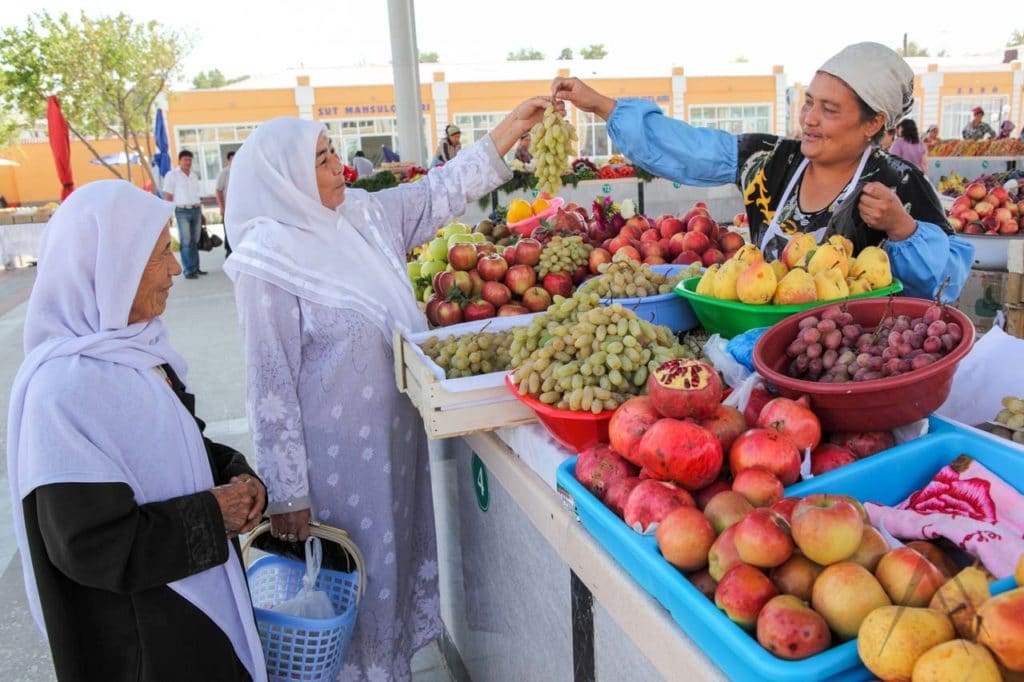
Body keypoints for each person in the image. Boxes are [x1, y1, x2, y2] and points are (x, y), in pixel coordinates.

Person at [223, 99, 552, 680]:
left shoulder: (360, 217)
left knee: (390, 573)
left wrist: (506, 132)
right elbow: (268, 383)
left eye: (333, 156)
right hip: (333, 469)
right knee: (350, 588)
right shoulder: (266, 262)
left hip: (396, 450)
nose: (337, 172)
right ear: (286, 180)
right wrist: (288, 491)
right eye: (322, 162)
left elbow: (438, 193)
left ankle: (390, 669)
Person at [7, 180, 268, 681]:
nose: (175, 269)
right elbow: (90, 544)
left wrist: (238, 476)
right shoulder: (62, 391)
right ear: (108, 268)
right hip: (145, 639)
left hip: (195, 612)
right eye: (161, 254)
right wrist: (213, 515)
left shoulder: (137, 353)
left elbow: (181, 443)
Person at [553, 42, 972, 302]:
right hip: (761, 346)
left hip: (845, 364)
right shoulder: (769, 161)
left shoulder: (898, 182)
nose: (809, 118)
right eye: (809, 102)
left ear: (873, 123)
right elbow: (690, 147)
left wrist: (903, 229)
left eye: (829, 110)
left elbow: (944, 287)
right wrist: (603, 106)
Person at [163, 149, 206, 278]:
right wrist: (168, 214)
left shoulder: (194, 175)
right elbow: (169, 195)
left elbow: (197, 195)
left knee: (195, 240)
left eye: (190, 160)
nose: (188, 162)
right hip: (182, 211)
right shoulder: (172, 175)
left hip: (196, 209)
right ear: (180, 161)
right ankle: (188, 270)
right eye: (185, 160)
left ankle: (196, 267)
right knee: (186, 241)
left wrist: (202, 213)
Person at [216, 150, 235, 256]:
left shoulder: (241, 171)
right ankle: (229, 254)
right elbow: (218, 190)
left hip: (238, 209)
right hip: (228, 209)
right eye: (233, 159)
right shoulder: (225, 172)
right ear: (228, 160)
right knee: (228, 233)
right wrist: (222, 208)